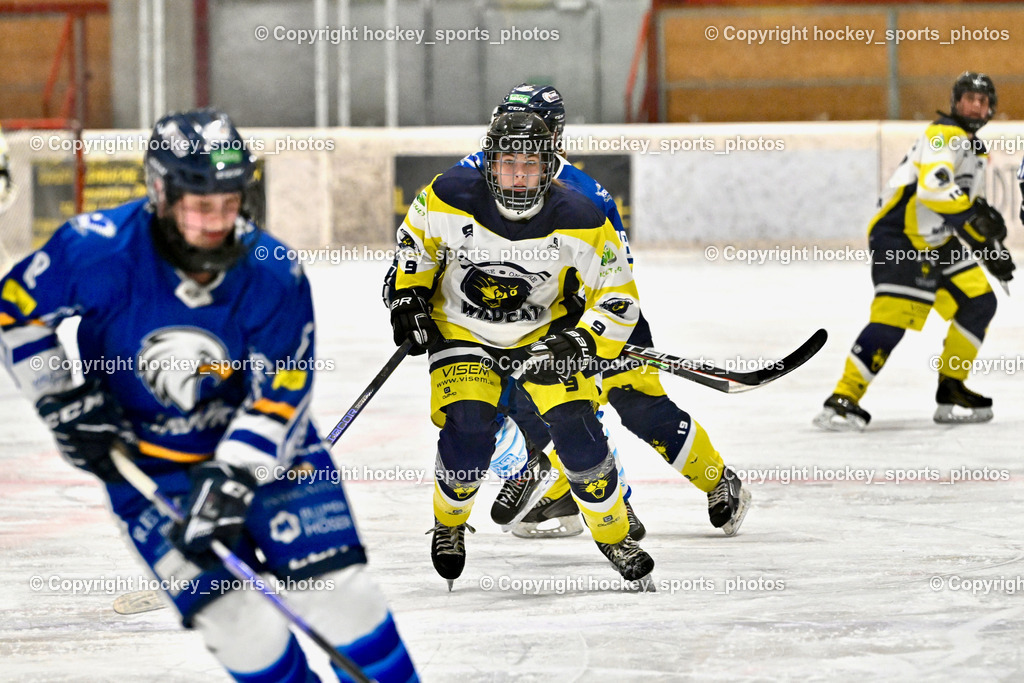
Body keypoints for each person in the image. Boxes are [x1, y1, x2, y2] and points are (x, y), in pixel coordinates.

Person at [0, 108, 417, 683]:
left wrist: (236, 475)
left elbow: (282, 393)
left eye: (229, 202)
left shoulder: (274, 272)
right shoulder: (93, 251)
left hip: (274, 460)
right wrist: (59, 398)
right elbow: (16, 312)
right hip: (150, 470)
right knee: (241, 630)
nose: (215, 222)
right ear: (159, 192)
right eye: (200, 205)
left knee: (344, 600)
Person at [463, 84, 750, 540]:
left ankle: (719, 481)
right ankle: (616, 506)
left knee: (640, 407)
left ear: (553, 136)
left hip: (602, 316)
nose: (517, 150)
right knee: (554, 410)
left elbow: (616, 275)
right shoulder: (473, 178)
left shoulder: (586, 197)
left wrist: (590, 322)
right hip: (534, 321)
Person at [389, 111, 655, 586]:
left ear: (549, 165)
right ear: (489, 163)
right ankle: (449, 526)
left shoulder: (582, 216)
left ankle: (615, 534)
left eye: (529, 164)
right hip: (463, 330)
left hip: (542, 335)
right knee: (468, 424)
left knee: (576, 428)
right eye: (507, 162)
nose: (516, 174)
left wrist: (582, 339)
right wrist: (407, 294)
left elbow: (617, 295)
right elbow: (416, 248)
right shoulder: (448, 194)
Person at [815, 72, 1015, 431]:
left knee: (979, 301)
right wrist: (979, 230)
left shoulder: (973, 148)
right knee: (893, 318)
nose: (975, 105)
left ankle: (952, 387)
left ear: (991, 109)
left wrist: (991, 249)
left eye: (982, 101)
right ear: (955, 102)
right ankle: (843, 398)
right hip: (901, 238)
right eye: (968, 98)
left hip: (936, 240)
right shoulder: (943, 135)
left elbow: (964, 208)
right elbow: (934, 192)